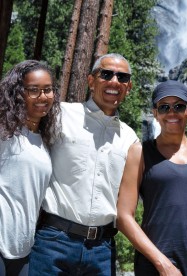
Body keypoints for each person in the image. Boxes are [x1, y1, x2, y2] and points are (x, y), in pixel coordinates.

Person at [29, 53, 139, 275]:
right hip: (53, 242)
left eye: (122, 77)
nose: (114, 82)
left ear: (129, 87)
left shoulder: (130, 138)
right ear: (91, 81)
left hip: (102, 249)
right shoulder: (59, 114)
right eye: (106, 74)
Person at [116, 80, 187, 275]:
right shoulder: (140, 152)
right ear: (155, 113)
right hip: (156, 266)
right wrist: (163, 264)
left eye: (179, 106)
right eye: (164, 107)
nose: (172, 112)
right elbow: (123, 216)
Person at [0, 60, 61, 276]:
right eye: (33, 90)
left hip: (22, 251)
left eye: (47, 90)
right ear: (18, 93)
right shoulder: (5, 134)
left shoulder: (42, 140)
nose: (42, 97)